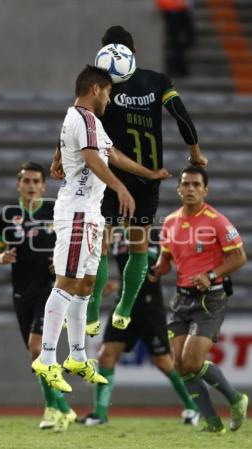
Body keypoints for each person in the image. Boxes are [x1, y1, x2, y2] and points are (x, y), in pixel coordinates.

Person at [32, 65, 171, 393]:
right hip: (78, 212)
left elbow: (110, 154)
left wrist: (147, 174)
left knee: (87, 284)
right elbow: (94, 159)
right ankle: (47, 358)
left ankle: (77, 355)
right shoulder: (82, 118)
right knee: (66, 282)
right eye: (108, 92)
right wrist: (121, 189)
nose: (110, 98)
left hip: (91, 214)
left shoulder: (85, 121)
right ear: (96, 89)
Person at [73, 25, 207, 335]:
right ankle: (125, 308)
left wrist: (59, 157)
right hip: (148, 180)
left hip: (109, 177)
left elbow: (80, 121)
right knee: (138, 248)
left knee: (100, 249)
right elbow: (182, 116)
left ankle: (92, 313)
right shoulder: (158, 82)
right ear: (134, 52)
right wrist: (195, 153)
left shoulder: (99, 86)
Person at [151, 165, 248, 433]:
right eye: (186, 184)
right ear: (179, 188)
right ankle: (212, 423)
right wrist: (157, 269)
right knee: (180, 366)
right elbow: (167, 258)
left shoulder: (217, 220)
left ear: (205, 190)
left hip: (210, 299)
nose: (190, 189)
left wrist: (212, 274)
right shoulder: (170, 222)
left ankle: (236, 399)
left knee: (192, 362)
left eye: (196, 185)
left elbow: (239, 257)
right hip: (181, 300)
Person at [78, 228, 200, 426]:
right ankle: (100, 414)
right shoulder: (113, 235)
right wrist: (106, 284)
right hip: (123, 306)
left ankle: (193, 407)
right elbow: (99, 262)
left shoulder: (156, 235)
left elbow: (167, 264)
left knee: (162, 360)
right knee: (106, 354)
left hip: (149, 306)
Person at [0, 161, 76, 432]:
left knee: (37, 347)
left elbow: (73, 243)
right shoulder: (8, 214)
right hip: (21, 292)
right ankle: (64, 409)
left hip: (51, 290)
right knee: (35, 355)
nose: (31, 186)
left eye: (36, 181)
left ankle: (52, 411)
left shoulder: (54, 210)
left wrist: (60, 263)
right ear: (19, 185)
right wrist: (0, 257)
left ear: (43, 185)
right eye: (26, 181)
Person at [156, 0, 196, 77]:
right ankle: (179, 66)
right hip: (171, 8)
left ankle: (175, 63)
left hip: (182, 7)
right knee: (176, 39)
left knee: (188, 38)